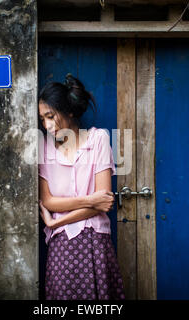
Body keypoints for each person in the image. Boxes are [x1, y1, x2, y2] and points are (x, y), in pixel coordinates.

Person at [38, 73, 125, 300]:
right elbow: (48, 200)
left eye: (51, 116)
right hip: (61, 245)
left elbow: (103, 203)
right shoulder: (44, 148)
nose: (47, 125)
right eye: (42, 119)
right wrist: (90, 200)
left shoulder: (99, 140)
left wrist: (57, 221)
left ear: (69, 111)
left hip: (96, 240)